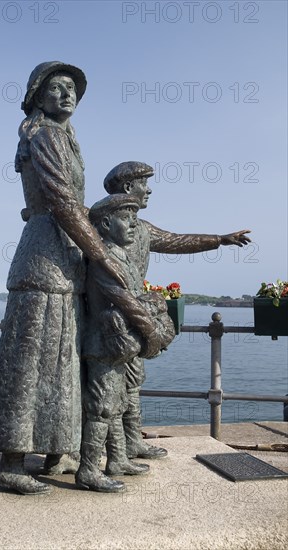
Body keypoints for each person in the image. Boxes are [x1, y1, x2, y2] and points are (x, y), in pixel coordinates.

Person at [0, 62, 128, 495]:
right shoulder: (44, 135)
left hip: (65, 257)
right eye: (56, 88)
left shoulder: (64, 137)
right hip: (45, 258)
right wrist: (104, 256)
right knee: (30, 361)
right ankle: (10, 462)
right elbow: (62, 202)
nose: (67, 94)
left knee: (61, 360)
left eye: (71, 89)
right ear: (37, 97)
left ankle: (54, 449)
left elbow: (72, 206)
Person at [104, 161, 252, 460]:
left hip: (134, 316)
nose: (149, 190)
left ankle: (131, 443)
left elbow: (177, 241)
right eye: (144, 183)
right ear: (128, 187)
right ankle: (106, 452)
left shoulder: (143, 229)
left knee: (133, 382)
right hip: (109, 317)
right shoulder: (102, 222)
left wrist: (219, 240)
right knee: (107, 389)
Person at [76, 194, 174, 493]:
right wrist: (153, 333)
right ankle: (89, 470)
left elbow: (135, 297)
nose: (133, 224)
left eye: (135, 217)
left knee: (115, 406)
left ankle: (117, 460)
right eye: (125, 217)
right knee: (102, 409)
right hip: (105, 344)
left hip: (119, 346)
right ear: (105, 223)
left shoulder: (121, 256)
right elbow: (125, 300)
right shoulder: (104, 258)